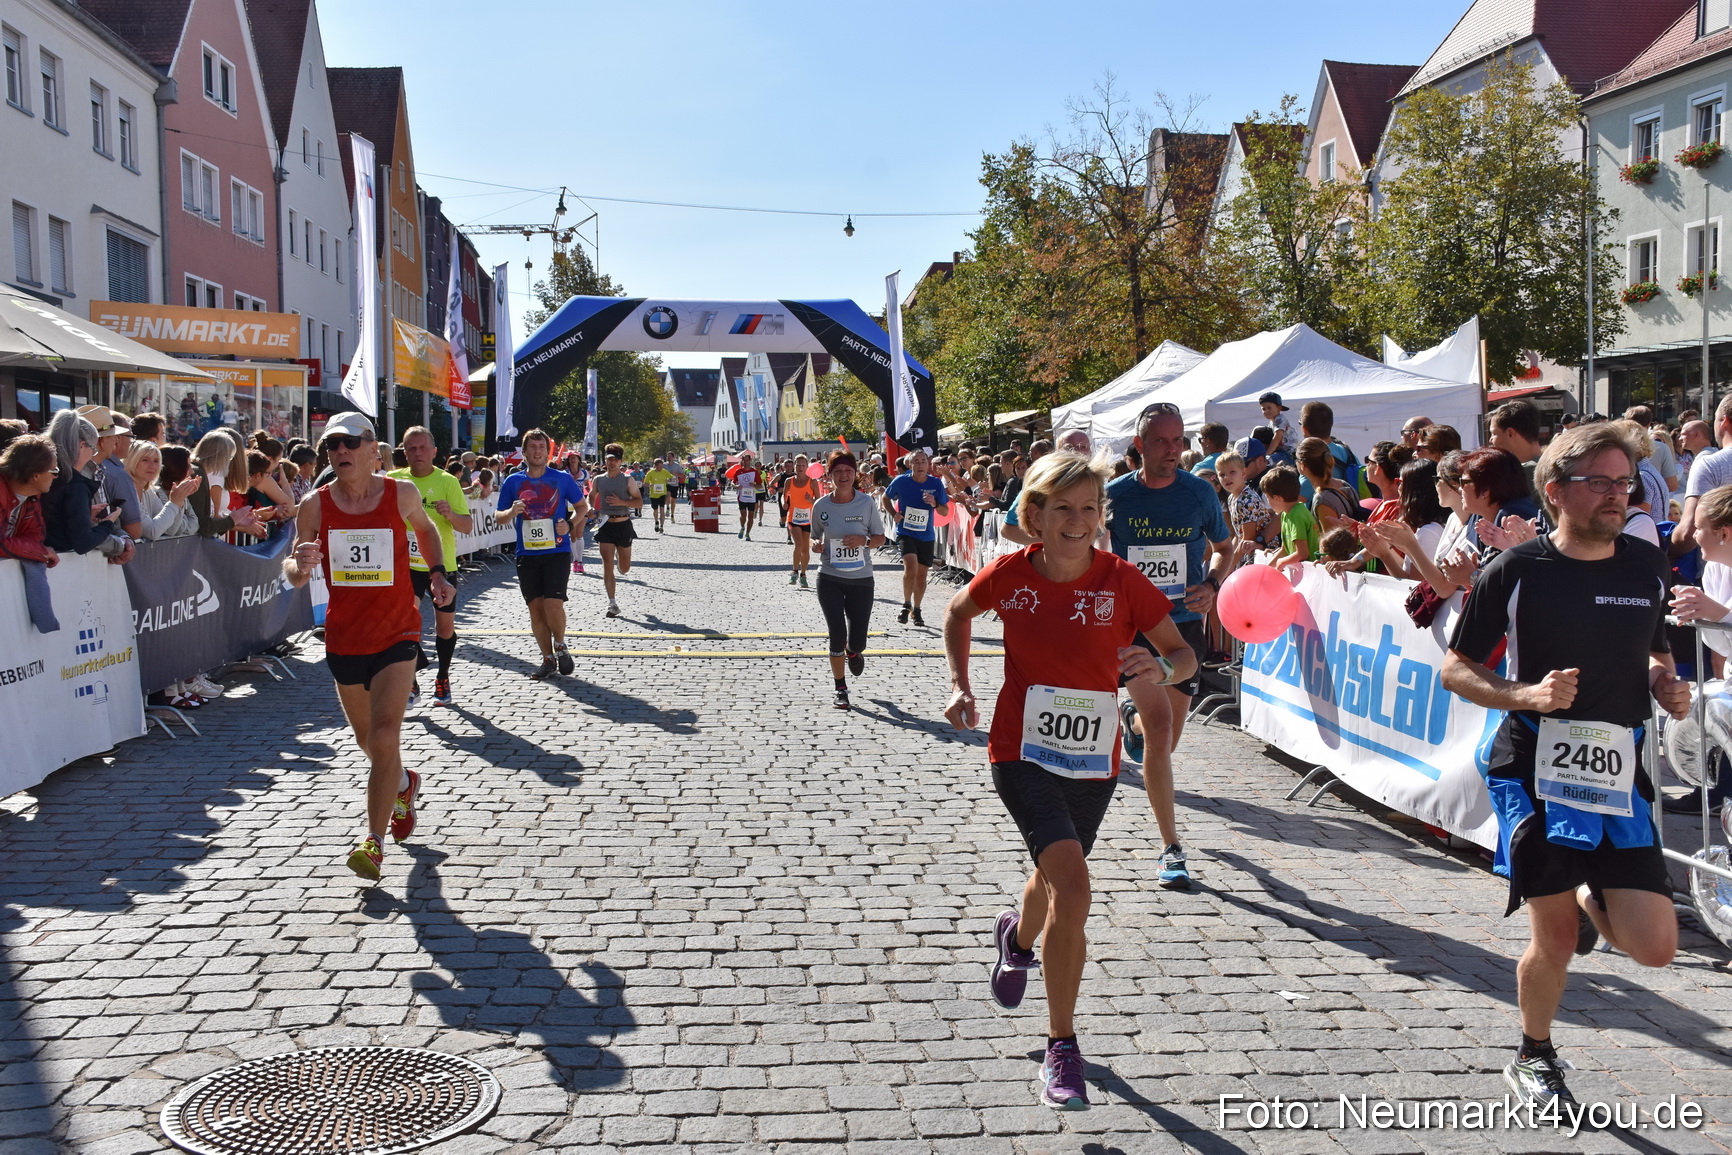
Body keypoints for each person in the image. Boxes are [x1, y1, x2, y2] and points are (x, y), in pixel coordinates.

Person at [1442, 422, 1689, 1112]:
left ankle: (1585, 894)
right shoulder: (1517, 570)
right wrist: (1525, 695)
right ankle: (1535, 1053)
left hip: (1616, 769)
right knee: (1552, 938)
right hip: (1533, 765)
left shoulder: (1646, 567)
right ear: (1555, 491)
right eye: (1600, 482)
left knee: (1656, 947)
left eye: (1624, 483)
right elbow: (1455, 668)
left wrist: (1665, 685)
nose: (1617, 495)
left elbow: (1654, 652)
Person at [943, 450, 1195, 1111]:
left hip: (1091, 762)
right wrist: (960, 685)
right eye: (1063, 508)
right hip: (1019, 752)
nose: (1077, 520)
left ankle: (1017, 939)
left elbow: (1184, 655)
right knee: (1075, 886)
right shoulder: (1010, 574)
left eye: (1089, 508)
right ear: (1034, 515)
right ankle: (1063, 1046)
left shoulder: (1123, 580)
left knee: (1055, 873)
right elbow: (957, 613)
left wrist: (1162, 669)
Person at [283, 412, 454, 881]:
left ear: (373, 450)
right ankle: (404, 783)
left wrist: (438, 574)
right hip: (345, 637)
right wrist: (300, 563)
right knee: (369, 743)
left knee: (383, 736)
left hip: (398, 632)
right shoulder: (315, 505)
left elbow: (427, 531)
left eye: (350, 442)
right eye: (332, 444)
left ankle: (373, 842)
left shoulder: (401, 493)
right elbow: (294, 573)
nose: (340, 451)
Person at [1105, 403, 1232, 890]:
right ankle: (1171, 847)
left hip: (1182, 629)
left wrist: (1213, 584)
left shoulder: (1199, 492)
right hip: (1134, 628)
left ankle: (1131, 721)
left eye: (1179, 440)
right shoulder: (1115, 495)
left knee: (1167, 739)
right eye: (1161, 441)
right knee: (1160, 735)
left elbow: (1225, 548)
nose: (1172, 450)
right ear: (1139, 444)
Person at [494, 429, 589, 679]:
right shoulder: (513, 482)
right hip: (527, 554)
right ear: (524, 452)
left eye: (541, 447)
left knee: (552, 604)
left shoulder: (561, 479)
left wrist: (570, 524)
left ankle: (560, 645)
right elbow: (498, 517)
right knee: (535, 609)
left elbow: (582, 506)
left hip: (557, 550)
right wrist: (511, 512)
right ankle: (547, 658)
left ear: (548, 452)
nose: (537, 451)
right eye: (533, 447)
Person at [390, 427, 474, 707]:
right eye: (411, 448)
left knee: (444, 628)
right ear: (404, 452)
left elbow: (467, 526)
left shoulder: (448, 482)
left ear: (434, 451)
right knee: (403, 623)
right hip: (406, 566)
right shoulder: (393, 480)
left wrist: (450, 515)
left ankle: (443, 677)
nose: (418, 453)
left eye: (423, 447)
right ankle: (411, 681)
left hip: (441, 566)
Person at [811, 451, 886, 709]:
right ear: (829, 475)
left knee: (857, 641)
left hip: (861, 579)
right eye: (838, 471)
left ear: (855, 474)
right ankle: (840, 688)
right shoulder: (821, 505)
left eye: (848, 471)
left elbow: (880, 538)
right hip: (829, 576)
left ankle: (853, 652)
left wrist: (863, 541)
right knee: (836, 634)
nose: (843, 475)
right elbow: (814, 535)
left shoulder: (866, 503)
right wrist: (815, 545)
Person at [43, 411, 132, 564]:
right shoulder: (75, 484)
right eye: (92, 448)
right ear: (81, 445)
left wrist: (84, 514)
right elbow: (83, 542)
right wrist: (108, 523)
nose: (92, 454)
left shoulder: (48, 475)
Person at [884, 449, 950, 626]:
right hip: (905, 532)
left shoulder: (935, 483)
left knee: (921, 576)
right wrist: (894, 514)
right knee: (910, 566)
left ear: (928, 464)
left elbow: (945, 511)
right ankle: (906, 604)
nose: (920, 465)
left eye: (923, 461)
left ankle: (917, 608)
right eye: (916, 462)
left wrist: (934, 503)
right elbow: (885, 497)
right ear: (910, 465)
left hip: (926, 535)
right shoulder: (901, 481)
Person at [589, 445, 643, 618]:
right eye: (609, 459)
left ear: (620, 462)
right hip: (605, 524)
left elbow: (639, 502)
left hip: (623, 524)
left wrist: (621, 502)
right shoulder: (598, 479)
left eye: (615, 460)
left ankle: (621, 560)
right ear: (605, 461)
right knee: (607, 564)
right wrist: (591, 507)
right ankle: (612, 603)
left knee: (624, 569)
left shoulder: (627, 480)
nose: (611, 463)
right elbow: (591, 495)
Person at [80, 407, 142, 540]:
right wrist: (120, 543)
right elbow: (87, 529)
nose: (116, 441)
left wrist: (123, 538)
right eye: (113, 437)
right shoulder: (82, 475)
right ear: (102, 442)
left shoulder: (99, 471)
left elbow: (106, 521)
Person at [0, 433, 58, 566]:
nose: (56, 477)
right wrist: (41, 552)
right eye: (54, 471)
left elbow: (36, 536)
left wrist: (35, 550)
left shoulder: (31, 496)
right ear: (35, 475)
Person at [127, 442, 200, 541]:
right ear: (132, 461)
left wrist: (179, 500)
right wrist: (174, 502)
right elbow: (152, 532)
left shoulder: (149, 492)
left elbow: (170, 530)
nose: (152, 466)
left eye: (156, 461)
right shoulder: (126, 491)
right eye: (145, 460)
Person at [1261, 466, 1317, 570]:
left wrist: (1282, 561)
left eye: (1267, 498)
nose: (1267, 503)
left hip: (1311, 573)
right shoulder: (1285, 513)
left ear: (1277, 498)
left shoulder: (1296, 515)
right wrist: (1267, 569)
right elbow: (1285, 550)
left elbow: (1302, 554)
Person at [1488, 400, 1544, 500]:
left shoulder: (1520, 474)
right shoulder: (1551, 467)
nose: (1490, 440)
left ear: (1510, 433)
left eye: (1494, 433)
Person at [784, 454, 819, 586]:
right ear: (794, 466)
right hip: (793, 518)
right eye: (798, 465)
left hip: (807, 519)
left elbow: (819, 501)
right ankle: (794, 571)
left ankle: (803, 574)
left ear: (807, 467)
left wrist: (810, 500)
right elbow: (784, 495)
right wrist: (784, 503)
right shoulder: (789, 481)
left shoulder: (813, 482)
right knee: (798, 545)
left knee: (805, 549)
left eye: (803, 465)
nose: (800, 467)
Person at [731, 451, 763, 539]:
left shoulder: (754, 472)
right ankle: (742, 527)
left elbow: (760, 485)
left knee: (751, 516)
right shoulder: (738, 471)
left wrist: (755, 485)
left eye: (747, 460)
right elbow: (733, 482)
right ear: (742, 461)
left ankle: (748, 533)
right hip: (742, 497)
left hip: (751, 497)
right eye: (744, 460)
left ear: (750, 460)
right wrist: (736, 486)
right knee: (743, 516)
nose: (746, 462)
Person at [644, 457, 676, 533]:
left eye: (662, 466)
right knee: (655, 510)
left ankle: (662, 526)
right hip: (653, 495)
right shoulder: (650, 473)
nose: (661, 468)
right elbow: (645, 483)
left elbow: (673, 478)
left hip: (662, 493)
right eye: (659, 466)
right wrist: (650, 485)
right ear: (655, 466)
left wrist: (669, 479)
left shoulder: (664, 471)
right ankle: (656, 521)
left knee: (662, 509)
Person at [1258, 392, 1293, 459]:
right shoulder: (1271, 423)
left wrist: (1267, 454)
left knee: (1268, 461)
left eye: (1269, 408)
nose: (1266, 411)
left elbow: (1277, 437)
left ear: (1278, 408)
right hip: (1280, 451)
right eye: (1263, 409)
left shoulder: (1280, 419)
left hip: (1288, 453)